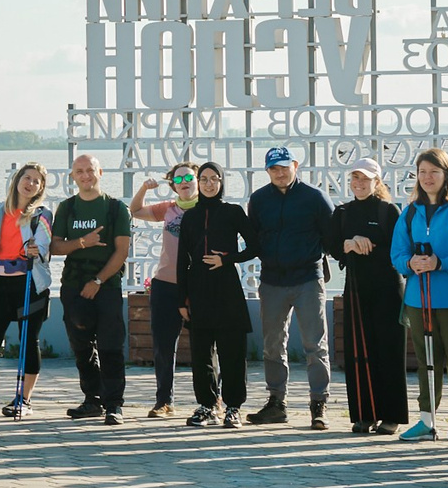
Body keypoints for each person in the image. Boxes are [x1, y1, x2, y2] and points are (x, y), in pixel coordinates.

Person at [388, 148, 448, 441]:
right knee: (427, 360)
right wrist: (410, 263)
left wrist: (441, 262)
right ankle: (427, 420)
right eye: (422, 172)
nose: (428, 178)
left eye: (434, 172)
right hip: (418, 299)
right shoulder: (409, 212)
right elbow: (397, 253)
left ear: (446, 175)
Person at [247, 144, 335, 427]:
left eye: (284, 167)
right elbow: (254, 239)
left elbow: (332, 237)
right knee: (272, 346)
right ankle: (276, 403)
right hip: (272, 281)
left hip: (308, 279)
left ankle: (318, 403)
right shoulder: (259, 199)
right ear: (267, 171)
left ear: (295, 165)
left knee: (315, 345)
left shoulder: (315, 197)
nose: (279, 173)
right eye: (273, 168)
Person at [48, 154, 129, 424]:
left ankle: (114, 404)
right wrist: (82, 242)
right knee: (81, 345)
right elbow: (56, 247)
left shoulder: (116, 208)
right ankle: (92, 399)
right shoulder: (67, 208)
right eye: (79, 171)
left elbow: (121, 252)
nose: (85, 176)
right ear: (73, 176)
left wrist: (98, 282)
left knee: (110, 346)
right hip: (73, 286)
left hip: (106, 285)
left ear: (100, 172)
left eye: (90, 170)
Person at [179, 161, 258, 427]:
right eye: (204, 179)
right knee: (201, 353)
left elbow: (255, 246)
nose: (209, 184)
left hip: (226, 286)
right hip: (198, 287)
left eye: (214, 179)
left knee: (232, 350)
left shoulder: (233, 212)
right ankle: (207, 406)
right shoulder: (189, 216)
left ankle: (233, 406)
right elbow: (181, 260)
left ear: (222, 182)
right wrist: (181, 300)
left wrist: (228, 259)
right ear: (198, 184)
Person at [329, 161, 406, 435]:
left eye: (365, 179)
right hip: (357, 290)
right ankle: (364, 415)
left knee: (389, 352)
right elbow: (331, 245)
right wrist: (348, 244)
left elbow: (399, 250)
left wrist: (368, 244)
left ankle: (391, 416)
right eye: (355, 178)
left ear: (377, 181)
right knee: (359, 353)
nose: (359, 183)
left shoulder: (389, 211)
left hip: (388, 289)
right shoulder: (343, 212)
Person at [0, 163, 54, 417]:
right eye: (27, 178)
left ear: (41, 188)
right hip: (0, 284)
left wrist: (36, 250)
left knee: (29, 343)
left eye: (37, 181)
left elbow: (44, 243)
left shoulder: (42, 214)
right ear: (17, 180)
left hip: (31, 284)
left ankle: (24, 399)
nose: (30, 183)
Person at [128, 164, 200, 419]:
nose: (184, 181)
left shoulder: (208, 209)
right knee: (163, 345)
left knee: (207, 345)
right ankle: (164, 401)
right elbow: (135, 210)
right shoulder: (169, 209)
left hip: (199, 285)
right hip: (166, 283)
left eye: (189, 177)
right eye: (179, 178)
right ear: (173, 185)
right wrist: (143, 189)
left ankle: (213, 399)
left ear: (198, 180)